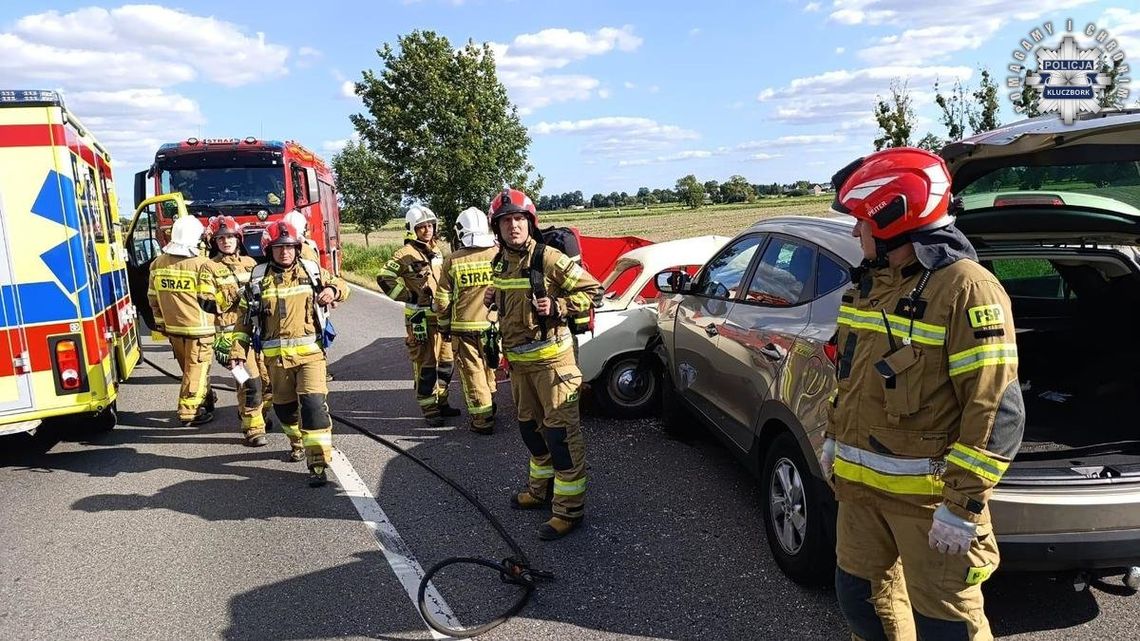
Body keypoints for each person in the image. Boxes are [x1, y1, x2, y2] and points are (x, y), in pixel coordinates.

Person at [823, 147, 1025, 640]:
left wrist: (962, 506)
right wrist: (833, 436)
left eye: (860, 221)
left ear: (892, 217)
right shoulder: (868, 287)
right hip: (859, 495)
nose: (855, 232)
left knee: (946, 628)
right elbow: (850, 377)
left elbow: (997, 410)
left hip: (930, 504)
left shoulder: (965, 289)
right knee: (861, 606)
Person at [485, 188, 603, 541]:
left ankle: (569, 511)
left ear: (530, 223)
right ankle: (540, 492)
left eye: (519, 219)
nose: (513, 226)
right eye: (506, 220)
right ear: (497, 228)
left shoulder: (549, 259)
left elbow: (594, 291)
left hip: (554, 366)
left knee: (560, 437)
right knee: (530, 433)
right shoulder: (500, 263)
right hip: (520, 369)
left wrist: (559, 307)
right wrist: (494, 297)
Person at [229, 220, 348, 487]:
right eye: (279, 248)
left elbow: (343, 286)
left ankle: (317, 463)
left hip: (311, 358)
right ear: (269, 249)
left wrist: (333, 290)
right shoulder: (258, 280)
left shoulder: (312, 271)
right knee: (286, 412)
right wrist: (238, 350)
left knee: (314, 407)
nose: (285, 252)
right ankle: (297, 442)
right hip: (276, 362)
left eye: (290, 247)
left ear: (297, 248)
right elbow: (243, 321)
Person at [376, 205, 458, 426]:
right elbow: (384, 277)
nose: (428, 230)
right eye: (422, 227)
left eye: (430, 226)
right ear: (412, 229)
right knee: (426, 366)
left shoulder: (437, 251)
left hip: (440, 318)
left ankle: (442, 401)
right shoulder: (404, 255)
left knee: (446, 364)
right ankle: (429, 408)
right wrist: (409, 295)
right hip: (420, 321)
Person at [147, 215, 224, 426]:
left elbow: (153, 297)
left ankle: (205, 397)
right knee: (196, 368)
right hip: (200, 328)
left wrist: (160, 321)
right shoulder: (203, 265)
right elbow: (218, 297)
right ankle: (189, 411)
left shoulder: (157, 263)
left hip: (173, 328)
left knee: (190, 369)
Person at [433, 207, 500, 434]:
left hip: (464, 328)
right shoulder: (498, 254)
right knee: (490, 365)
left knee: (473, 373)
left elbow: (442, 301)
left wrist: (443, 326)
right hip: (493, 326)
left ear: (461, 231)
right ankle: (491, 401)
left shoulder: (452, 260)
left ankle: (482, 420)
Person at [207, 215, 272, 447]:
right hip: (230, 339)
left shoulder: (251, 264)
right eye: (221, 238)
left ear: (238, 239)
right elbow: (205, 303)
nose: (226, 241)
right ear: (214, 241)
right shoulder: (209, 268)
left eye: (230, 237)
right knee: (249, 383)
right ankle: (253, 429)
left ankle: (257, 414)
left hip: (257, 335)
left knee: (269, 382)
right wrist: (233, 296)